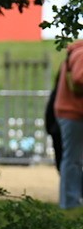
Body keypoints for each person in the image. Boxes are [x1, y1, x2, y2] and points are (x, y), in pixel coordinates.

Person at [52, 38, 83, 209]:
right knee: (73, 160)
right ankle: (70, 202)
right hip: (74, 112)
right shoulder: (81, 53)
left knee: (73, 159)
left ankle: (71, 200)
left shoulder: (76, 52)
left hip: (70, 111)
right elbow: (79, 78)